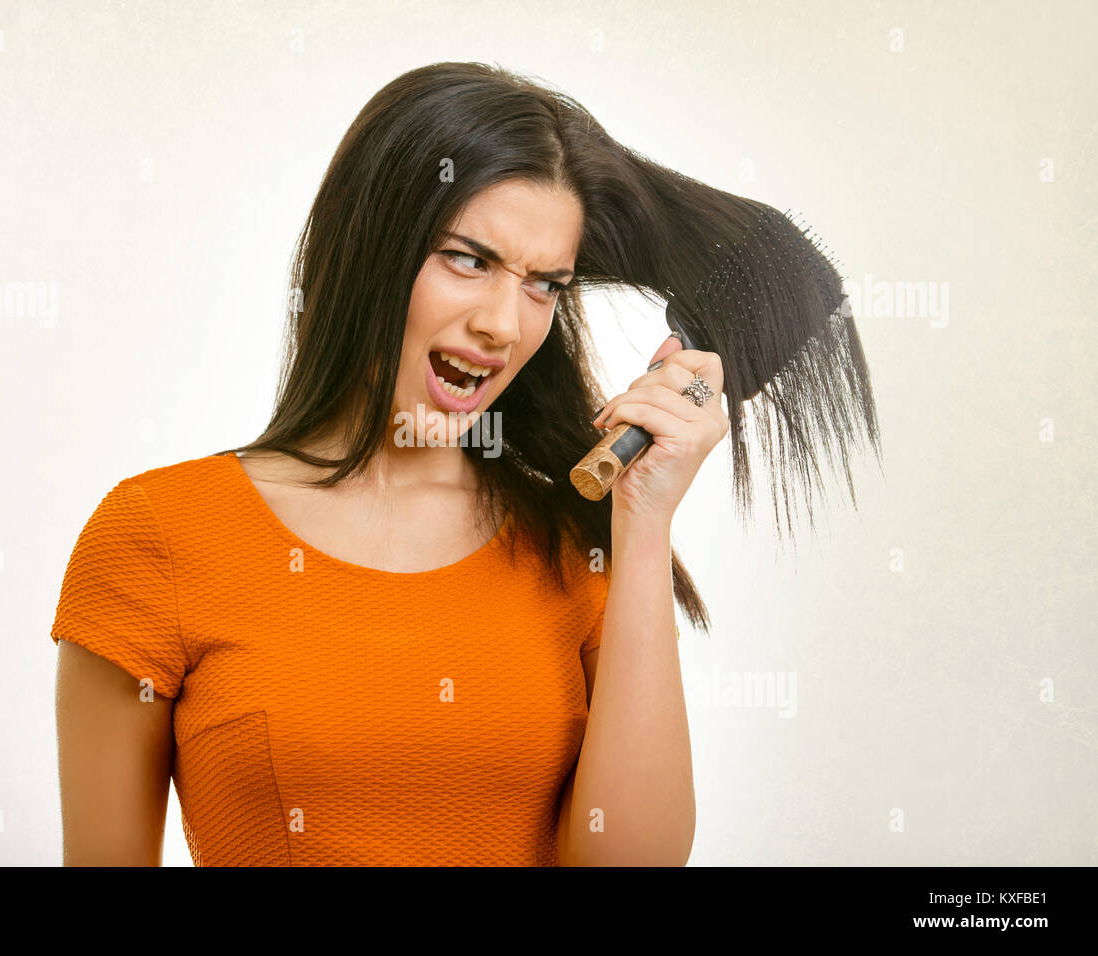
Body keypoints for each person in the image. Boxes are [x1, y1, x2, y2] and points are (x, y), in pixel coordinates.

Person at [51, 62, 880, 866]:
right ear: (368, 246)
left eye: (543, 285)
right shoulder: (156, 537)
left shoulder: (576, 543)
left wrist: (645, 516)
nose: (503, 325)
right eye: (469, 260)